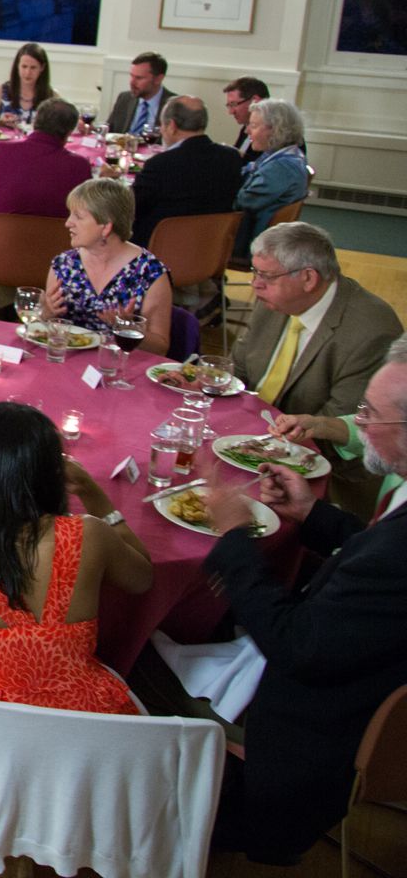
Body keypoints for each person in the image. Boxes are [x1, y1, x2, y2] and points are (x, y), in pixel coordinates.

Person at [198, 337, 407, 865]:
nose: (357, 425)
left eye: (369, 414)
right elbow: (374, 555)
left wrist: (233, 540)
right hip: (360, 679)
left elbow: (295, 645)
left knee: (142, 660)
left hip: (305, 743)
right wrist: (311, 514)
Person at [0, 402, 153, 746]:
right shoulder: (91, 535)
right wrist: (93, 494)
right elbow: (143, 577)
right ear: (52, 473)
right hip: (86, 727)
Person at [232, 222, 402, 511]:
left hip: (323, 475)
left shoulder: (371, 331)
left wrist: (250, 447)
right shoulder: (276, 298)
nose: (255, 284)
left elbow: (342, 423)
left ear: (308, 278)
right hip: (252, 440)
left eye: (266, 276)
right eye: (255, 273)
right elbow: (240, 366)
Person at [39, 177, 171, 352]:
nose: (68, 223)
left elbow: (161, 348)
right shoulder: (64, 265)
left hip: (122, 368)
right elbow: (46, 332)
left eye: (78, 216)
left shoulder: (149, 273)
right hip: (68, 362)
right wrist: (46, 315)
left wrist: (129, 330)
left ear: (106, 227)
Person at [127, 96, 243, 244]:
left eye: (162, 125)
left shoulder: (161, 165)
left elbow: (130, 207)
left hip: (159, 249)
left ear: (172, 126)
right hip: (212, 248)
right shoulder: (231, 158)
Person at [0, 97, 90, 218]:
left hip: (0, 237)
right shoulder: (80, 166)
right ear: (69, 132)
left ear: (35, 122)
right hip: (55, 238)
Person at [234, 97, 308, 258]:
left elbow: (242, 201)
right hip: (257, 233)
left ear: (275, 130)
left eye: (253, 126)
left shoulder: (282, 168)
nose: (247, 131)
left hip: (251, 241)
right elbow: (246, 172)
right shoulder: (285, 155)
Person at [0, 42, 55, 127]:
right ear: (17, 66)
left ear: (42, 68)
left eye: (33, 68)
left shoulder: (52, 96)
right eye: (24, 66)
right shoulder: (0, 91)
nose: (27, 72)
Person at [106, 51, 176, 138]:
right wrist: (92, 129)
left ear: (158, 79)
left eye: (139, 78)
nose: (132, 82)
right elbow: (108, 131)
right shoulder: (124, 98)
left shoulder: (175, 105)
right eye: (131, 76)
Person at [222, 76, 271, 161]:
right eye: (229, 106)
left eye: (233, 104)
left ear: (255, 101)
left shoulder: (274, 131)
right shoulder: (245, 127)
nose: (231, 112)